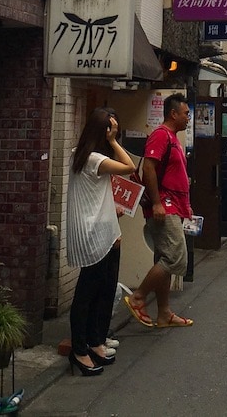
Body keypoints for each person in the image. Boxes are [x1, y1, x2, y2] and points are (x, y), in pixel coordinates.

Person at [66, 107, 136, 376]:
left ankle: (92, 344)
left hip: (95, 230)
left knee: (94, 290)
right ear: (103, 131)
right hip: (95, 234)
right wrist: (114, 141)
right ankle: (79, 350)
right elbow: (130, 167)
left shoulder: (79, 155)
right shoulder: (95, 159)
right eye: (112, 127)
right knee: (88, 293)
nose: (114, 131)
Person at [124, 92, 195, 329]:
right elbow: (149, 169)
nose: (188, 118)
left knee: (164, 257)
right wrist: (156, 203)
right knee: (176, 258)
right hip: (164, 206)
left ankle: (164, 313)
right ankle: (138, 297)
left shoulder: (172, 137)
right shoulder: (160, 136)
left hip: (174, 205)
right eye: (186, 113)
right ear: (173, 114)